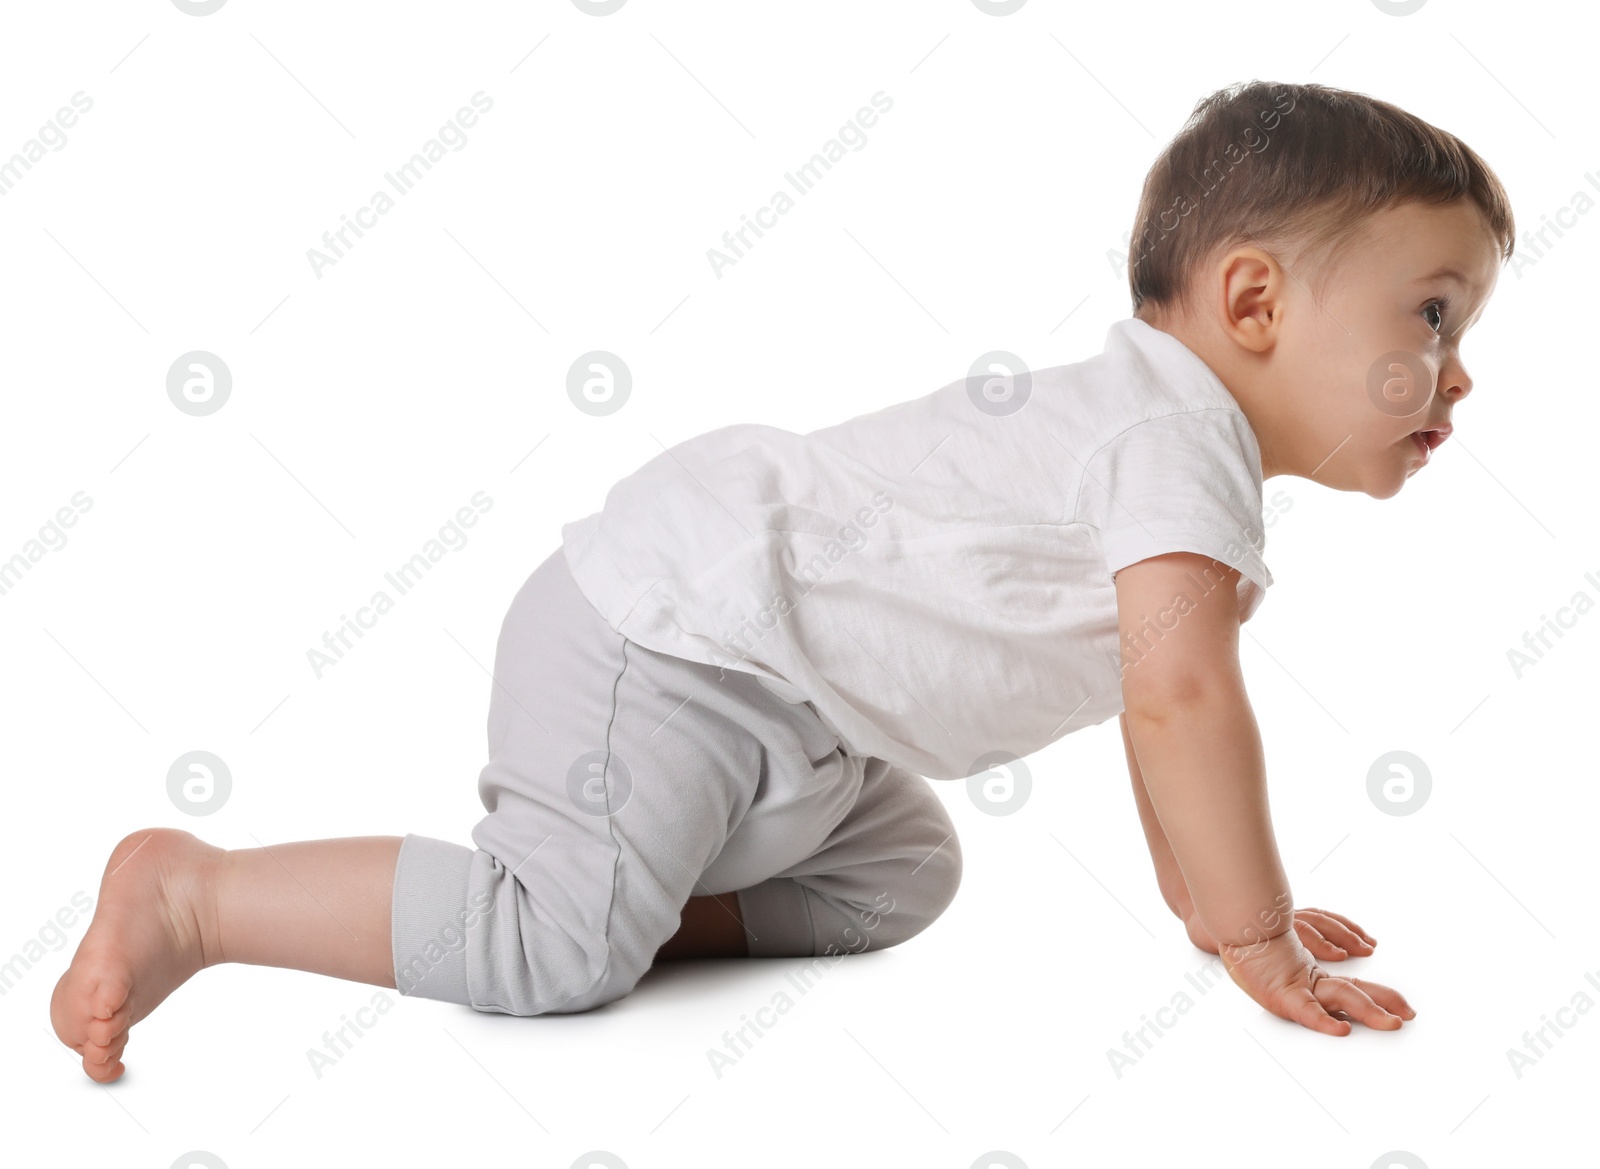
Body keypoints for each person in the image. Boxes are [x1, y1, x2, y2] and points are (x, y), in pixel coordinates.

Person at [52, 79, 1513, 1082]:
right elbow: (1183, 702)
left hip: (792, 720)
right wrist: (1256, 932)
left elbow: (1160, 704)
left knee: (906, 874)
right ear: (1254, 300)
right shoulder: (1170, 438)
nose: (1456, 371)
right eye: (1431, 313)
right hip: (675, 649)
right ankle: (202, 898)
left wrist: (1204, 896)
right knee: (545, 949)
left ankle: (636, 886)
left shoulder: (1167, 446)